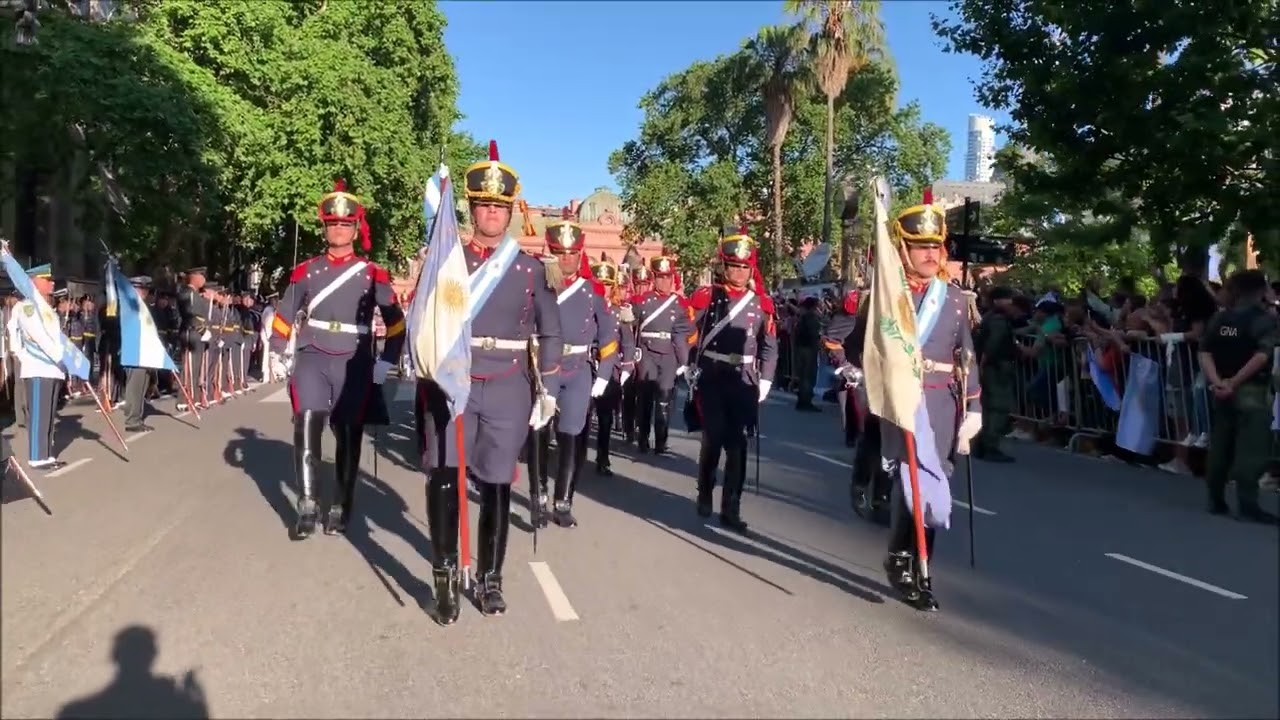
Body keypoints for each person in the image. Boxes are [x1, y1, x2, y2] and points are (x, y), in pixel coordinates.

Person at [413, 140, 563, 624]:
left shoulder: (529, 269)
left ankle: (490, 577)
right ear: (472, 208)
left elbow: (551, 329)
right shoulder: (447, 259)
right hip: (455, 380)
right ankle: (445, 575)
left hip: (507, 384)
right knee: (443, 474)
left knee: (496, 482)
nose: (492, 215)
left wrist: (549, 390)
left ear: (509, 213)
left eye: (500, 207)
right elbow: (424, 315)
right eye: (484, 206)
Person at [853, 200, 982, 612]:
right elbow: (858, 346)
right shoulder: (888, 297)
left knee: (935, 485)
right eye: (920, 246)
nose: (930, 254)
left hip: (942, 402)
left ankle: (923, 565)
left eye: (935, 246)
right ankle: (903, 562)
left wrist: (974, 407)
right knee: (911, 487)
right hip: (901, 399)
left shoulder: (956, 299)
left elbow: (967, 356)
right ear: (903, 251)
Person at [268, 179, 406, 539]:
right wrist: (276, 347)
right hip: (313, 353)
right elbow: (286, 311)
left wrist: (386, 360)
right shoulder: (306, 270)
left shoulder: (373, 273)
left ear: (356, 228)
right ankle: (308, 504)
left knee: (348, 431)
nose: (339, 229)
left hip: (355, 359)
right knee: (306, 422)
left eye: (346, 224)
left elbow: (395, 322)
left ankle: (342, 503)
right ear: (325, 226)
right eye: (333, 224)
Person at [686, 227, 778, 533]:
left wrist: (765, 379)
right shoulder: (707, 297)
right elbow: (686, 332)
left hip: (744, 381)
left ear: (750, 268)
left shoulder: (761, 304)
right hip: (712, 376)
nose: (738, 272)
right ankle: (704, 493)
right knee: (713, 438)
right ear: (723, 266)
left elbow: (769, 345)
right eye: (733, 266)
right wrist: (687, 364)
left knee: (738, 446)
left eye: (743, 267)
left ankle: (731, 508)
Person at [531, 215, 619, 529]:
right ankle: (539, 494)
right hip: (544, 367)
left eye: (571, 253)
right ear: (550, 252)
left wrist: (605, 373)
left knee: (570, 434)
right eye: (559, 252)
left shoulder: (592, 290)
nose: (566, 259)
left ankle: (563, 500)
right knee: (540, 432)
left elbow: (608, 335)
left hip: (579, 370)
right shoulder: (538, 284)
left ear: (580, 254)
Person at [1199, 269, 1279, 523]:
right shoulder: (1263, 320)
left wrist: (1218, 382)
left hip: (1221, 389)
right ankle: (1248, 503)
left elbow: (1205, 351)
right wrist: (1234, 382)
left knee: (1221, 443)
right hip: (1251, 390)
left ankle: (1215, 497)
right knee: (1251, 447)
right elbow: (1262, 355)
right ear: (1260, 290)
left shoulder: (1220, 320)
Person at [631, 256, 692, 455]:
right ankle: (642, 437)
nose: (664, 282)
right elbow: (631, 328)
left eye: (668, 277)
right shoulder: (641, 301)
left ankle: (661, 440)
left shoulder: (680, 303)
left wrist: (684, 360)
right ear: (654, 278)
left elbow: (684, 333)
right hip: (647, 352)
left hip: (669, 355)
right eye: (660, 277)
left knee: (665, 397)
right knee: (646, 396)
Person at [11, 264, 68, 470]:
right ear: (34, 281)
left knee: (49, 412)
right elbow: (36, 336)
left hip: (53, 367)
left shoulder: (46, 308)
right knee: (38, 413)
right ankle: (36, 456)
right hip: (38, 366)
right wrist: (22, 355)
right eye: (47, 279)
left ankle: (46, 454)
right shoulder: (27, 306)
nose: (52, 283)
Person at [590, 259, 636, 476]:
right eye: (599, 283)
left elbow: (627, 341)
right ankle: (576, 453)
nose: (604, 288)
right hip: (585, 365)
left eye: (608, 284)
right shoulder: (582, 307)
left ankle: (602, 456)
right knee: (579, 415)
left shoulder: (619, 311)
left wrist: (627, 367)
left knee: (606, 416)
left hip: (611, 368)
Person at [974, 286, 1018, 462]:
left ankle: (982, 444)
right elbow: (991, 347)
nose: (1010, 302)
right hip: (997, 368)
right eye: (1007, 299)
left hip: (993, 367)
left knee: (990, 407)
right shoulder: (998, 320)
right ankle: (989, 445)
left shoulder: (991, 318)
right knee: (997, 408)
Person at [119, 276, 157, 433]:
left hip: (144, 352)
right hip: (134, 352)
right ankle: (132, 420)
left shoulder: (142, 307)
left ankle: (135, 415)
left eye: (145, 289)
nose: (144, 292)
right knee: (135, 386)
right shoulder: (128, 307)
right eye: (141, 289)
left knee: (141, 386)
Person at [619, 263, 651, 442]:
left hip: (647, 352)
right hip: (630, 354)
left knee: (645, 392)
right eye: (638, 283)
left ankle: (643, 429)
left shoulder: (652, 304)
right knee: (629, 391)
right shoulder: (628, 305)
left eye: (645, 283)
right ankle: (628, 427)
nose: (641, 287)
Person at [176, 267, 211, 410]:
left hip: (198, 334)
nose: (203, 279)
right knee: (189, 367)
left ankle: (194, 397)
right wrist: (202, 330)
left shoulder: (196, 295)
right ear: (194, 277)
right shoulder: (187, 293)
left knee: (196, 367)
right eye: (201, 276)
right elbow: (189, 314)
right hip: (191, 333)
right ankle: (184, 399)